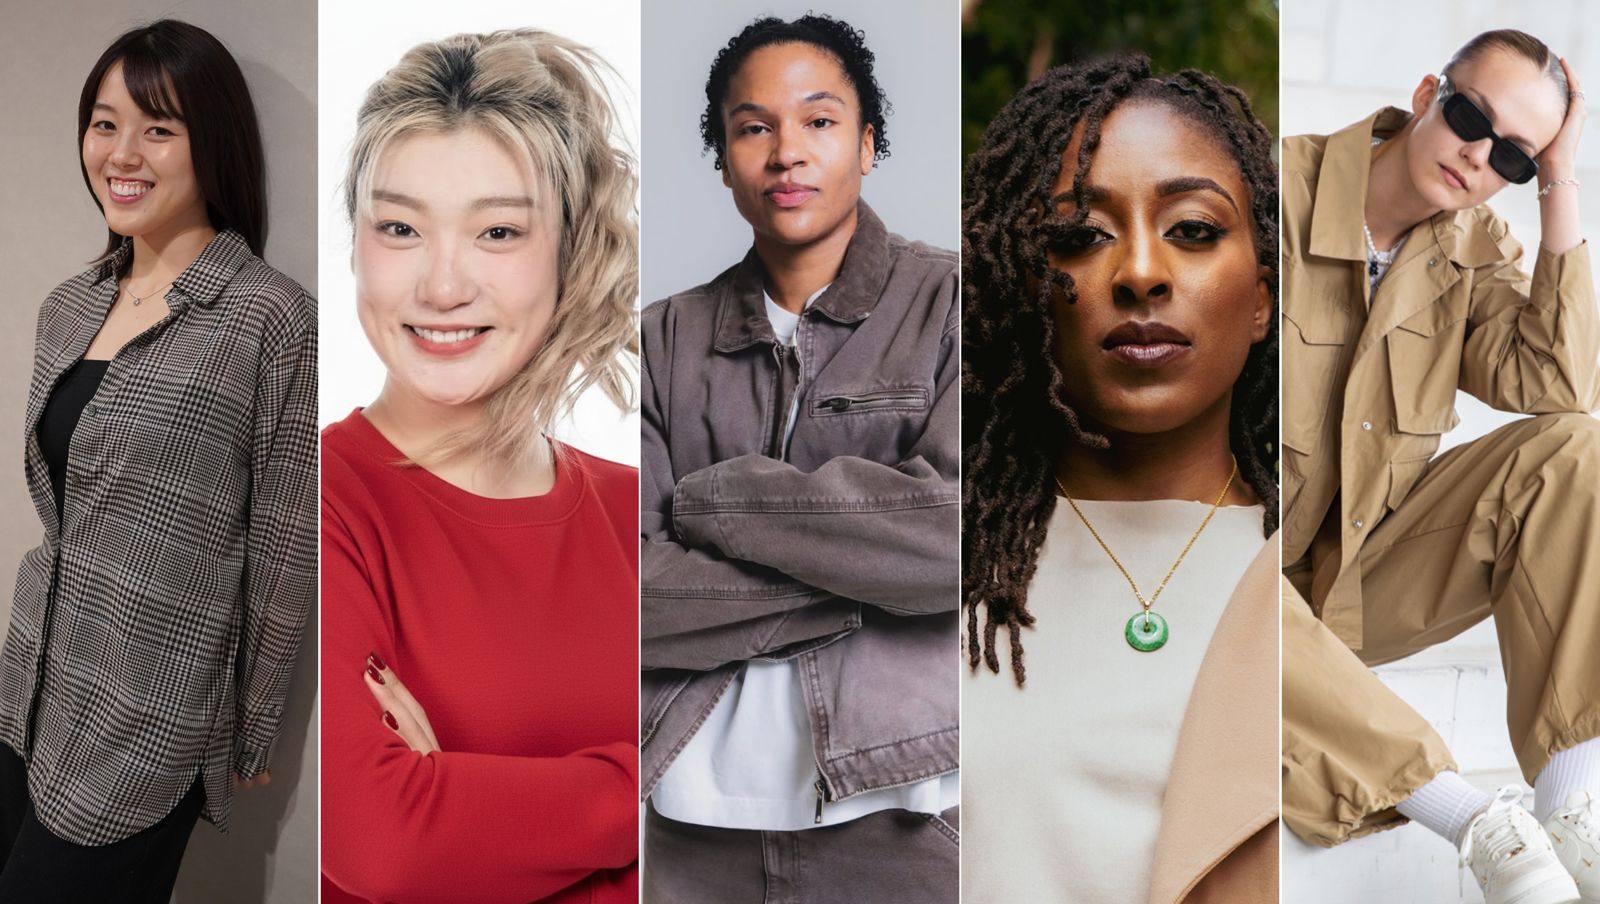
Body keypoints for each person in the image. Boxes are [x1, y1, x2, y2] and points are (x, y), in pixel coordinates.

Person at [639, 14, 959, 902]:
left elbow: (956, 543)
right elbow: (624, 591)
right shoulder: (658, 340)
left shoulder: (955, 305)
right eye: (754, 127)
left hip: (907, 810)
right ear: (723, 156)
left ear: (867, 143)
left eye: (818, 122)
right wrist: (866, 583)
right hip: (690, 820)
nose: (787, 152)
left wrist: (717, 504)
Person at [318, 29, 640, 904]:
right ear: (355, 244)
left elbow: (761, 816)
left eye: (498, 230)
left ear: (570, 253)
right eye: (399, 228)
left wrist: (469, 799)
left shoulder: (645, 513)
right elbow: (385, 842)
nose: (442, 285)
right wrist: (649, 787)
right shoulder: (312, 500)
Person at [1280, 28, 1600, 904]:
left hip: (1352, 584)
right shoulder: (1269, 191)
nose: (1478, 155)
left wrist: (1561, 178)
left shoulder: (1475, 244)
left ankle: (1573, 819)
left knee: (1576, 452)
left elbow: (1561, 386)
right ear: (1427, 92)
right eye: (1469, 116)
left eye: (1513, 155)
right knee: (1215, 554)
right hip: (1230, 585)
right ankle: (1485, 831)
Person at [0, 19, 316, 899]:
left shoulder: (268, 319)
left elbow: (285, 547)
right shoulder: (69, 305)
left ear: (210, 145)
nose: (122, 153)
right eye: (104, 124)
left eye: (158, 128)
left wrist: (252, 727)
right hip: (30, 681)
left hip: (148, 713)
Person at [961, 55, 1280, 903]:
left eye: (1194, 229)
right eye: (1078, 235)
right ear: (1020, 283)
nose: (1141, 272)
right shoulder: (940, 566)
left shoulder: (1319, 571)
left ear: (1261, 298)